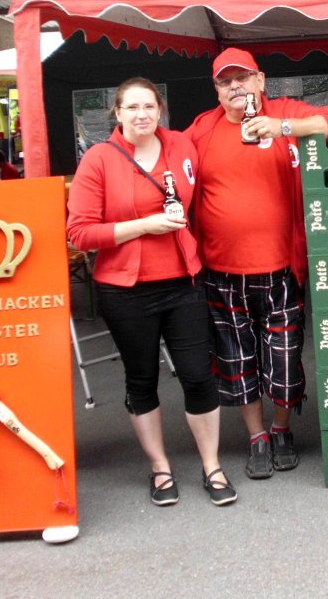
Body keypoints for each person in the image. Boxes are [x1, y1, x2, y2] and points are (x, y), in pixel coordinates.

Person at [67, 78, 235, 508]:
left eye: (149, 106)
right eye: (132, 107)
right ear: (117, 113)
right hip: (126, 290)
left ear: (160, 110)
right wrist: (143, 226)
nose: (141, 114)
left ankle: (212, 466)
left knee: (198, 375)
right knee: (141, 379)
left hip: (183, 281)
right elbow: (80, 233)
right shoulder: (99, 159)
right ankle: (160, 468)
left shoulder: (182, 146)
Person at [185, 47, 328, 479]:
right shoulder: (201, 130)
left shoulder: (284, 113)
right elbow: (168, 164)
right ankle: (256, 436)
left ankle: (281, 429)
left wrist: (282, 127)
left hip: (281, 269)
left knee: (286, 359)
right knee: (237, 361)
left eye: (242, 78)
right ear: (216, 90)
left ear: (260, 80)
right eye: (225, 81)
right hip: (221, 271)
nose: (235, 87)